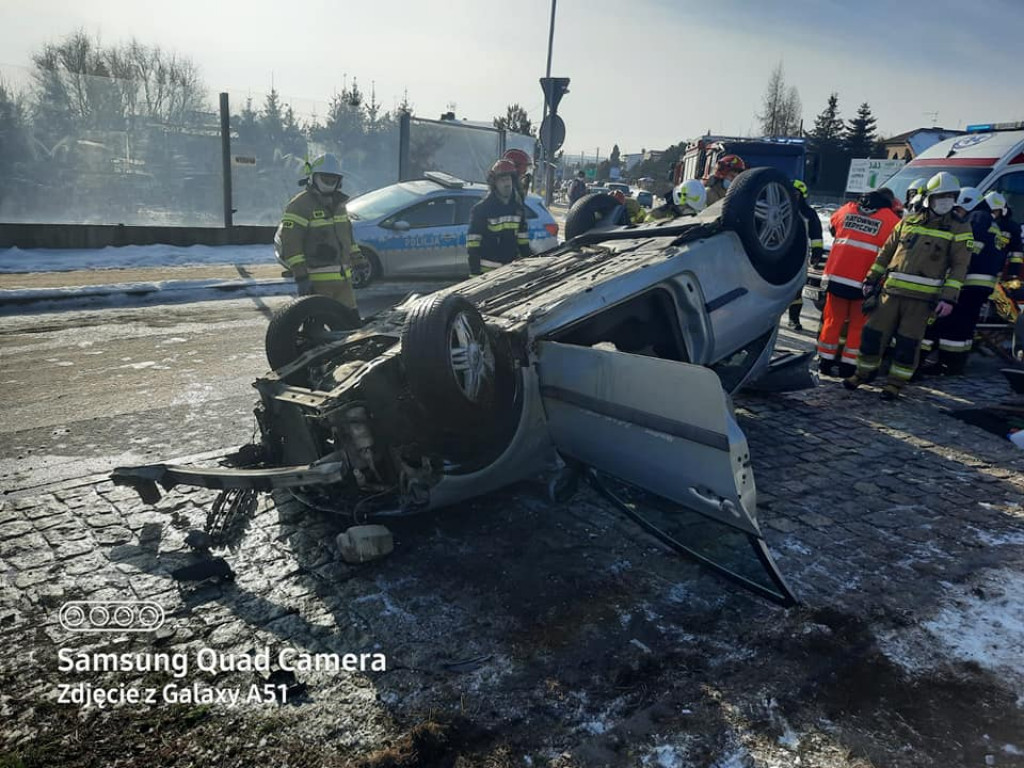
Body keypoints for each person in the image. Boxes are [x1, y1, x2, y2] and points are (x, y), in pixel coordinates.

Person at [842, 172, 972, 400]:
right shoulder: (908, 221)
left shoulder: (959, 228)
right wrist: (871, 278)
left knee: (907, 344)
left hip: (922, 301)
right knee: (872, 335)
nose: (946, 201)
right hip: (889, 293)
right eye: (941, 196)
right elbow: (886, 252)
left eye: (951, 196)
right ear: (928, 198)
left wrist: (948, 298)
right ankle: (862, 374)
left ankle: (895, 384)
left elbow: (960, 266)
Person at [919, 187, 1007, 375]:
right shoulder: (991, 222)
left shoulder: (976, 218)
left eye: (959, 210)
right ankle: (954, 365)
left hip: (969, 282)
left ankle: (946, 365)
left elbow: (963, 249)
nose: (957, 214)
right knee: (964, 326)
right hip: (983, 284)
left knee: (952, 324)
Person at [816, 188, 901, 375]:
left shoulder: (847, 209)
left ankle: (825, 361)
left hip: (835, 277)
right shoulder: (891, 220)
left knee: (832, 320)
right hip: (864, 282)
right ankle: (848, 366)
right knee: (858, 325)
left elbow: (832, 227)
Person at [275, 153, 364, 311]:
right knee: (315, 330)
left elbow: (348, 238)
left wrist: (358, 261)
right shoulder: (300, 205)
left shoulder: (340, 206)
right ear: (313, 178)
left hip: (344, 282)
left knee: (351, 327)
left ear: (339, 181)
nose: (329, 183)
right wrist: (301, 276)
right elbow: (291, 243)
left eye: (332, 180)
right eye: (325, 179)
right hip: (316, 283)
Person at [467, 159, 532, 275]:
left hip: (510, 271)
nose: (507, 183)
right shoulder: (481, 210)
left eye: (508, 179)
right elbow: (473, 246)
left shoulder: (518, 208)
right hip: (487, 275)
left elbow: (523, 242)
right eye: (502, 180)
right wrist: (474, 275)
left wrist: (531, 267)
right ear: (494, 183)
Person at [788, 179, 825, 331]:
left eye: (796, 194)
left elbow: (816, 235)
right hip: (777, 255)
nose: (793, 197)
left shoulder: (809, 214)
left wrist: (817, 253)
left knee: (796, 289)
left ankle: (793, 319)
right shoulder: (779, 209)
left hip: (799, 256)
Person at [986, 191, 1023, 280]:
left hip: (1000, 273)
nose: (992, 214)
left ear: (1003, 210)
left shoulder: (1011, 228)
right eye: (990, 211)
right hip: (979, 269)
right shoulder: (980, 224)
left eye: (995, 211)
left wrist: (1013, 274)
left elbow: (1016, 254)